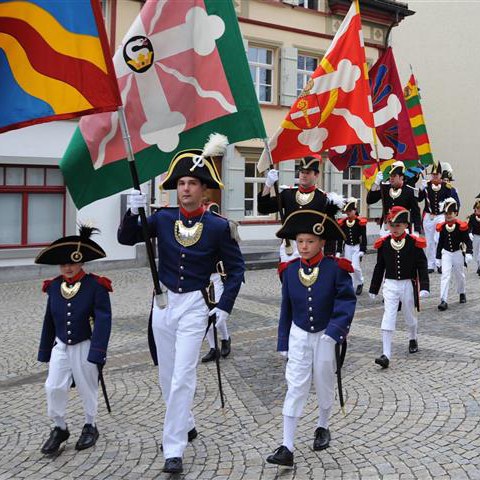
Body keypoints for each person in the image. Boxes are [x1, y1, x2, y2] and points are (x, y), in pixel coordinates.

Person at [117, 134, 245, 474]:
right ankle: (185, 421)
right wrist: (133, 211)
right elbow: (127, 238)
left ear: (204, 190)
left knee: (183, 376)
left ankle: (173, 446)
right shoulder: (161, 218)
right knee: (165, 374)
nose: (186, 188)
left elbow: (236, 270)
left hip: (194, 305)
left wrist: (225, 306)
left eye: (192, 183)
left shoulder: (218, 227)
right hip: (163, 303)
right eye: (182, 183)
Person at [266, 210, 356, 467]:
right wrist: (283, 342)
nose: (303, 247)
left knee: (324, 380)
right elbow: (286, 309)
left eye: (310, 242)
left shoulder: (335, 269)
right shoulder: (290, 271)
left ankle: (322, 426)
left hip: (326, 335)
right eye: (300, 241)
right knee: (295, 385)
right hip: (299, 334)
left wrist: (335, 330)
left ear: (322, 242)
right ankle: (287, 445)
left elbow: (346, 301)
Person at [35, 226, 112, 455]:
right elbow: (49, 320)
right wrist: (45, 350)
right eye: (63, 264)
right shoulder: (54, 287)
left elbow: (103, 321)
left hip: (85, 345)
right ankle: (60, 427)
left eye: (72, 263)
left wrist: (98, 351)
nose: (67, 268)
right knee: (53, 386)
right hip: (61, 346)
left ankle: (91, 424)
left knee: (87, 388)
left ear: (81, 263)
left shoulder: (96, 286)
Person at [369, 207, 429, 369]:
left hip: (408, 284)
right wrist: (374, 288)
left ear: (405, 225)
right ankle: (386, 354)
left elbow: (422, 266)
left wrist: (424, 286)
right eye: (391, 225)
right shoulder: (384, 244)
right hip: (390, 284)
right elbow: (379, 267)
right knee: (388, 315)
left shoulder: (413, 242)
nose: (394, 229)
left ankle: (412, 337)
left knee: (409, 315)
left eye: (398, 225)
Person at [258, 157, 343, 263]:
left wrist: (329, 257)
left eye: (307, 172)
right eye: (302, 172)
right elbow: (263, 208)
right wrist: (268, 184)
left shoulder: (323, 199)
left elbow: (330, 230)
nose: (303, 175)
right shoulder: (288, 194)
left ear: (316, 175)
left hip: (312, 248)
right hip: (290, 247)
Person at [418, 162, 460, 273]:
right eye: (433, 174)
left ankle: (440, 263)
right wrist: (421, 189)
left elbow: (451, 200)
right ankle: (430, 264)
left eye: (437, 174)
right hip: (428, 216)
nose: (435, 176)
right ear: (431, 175)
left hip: (440, 216)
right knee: (429, 241)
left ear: (441, 175)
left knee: (439, 238)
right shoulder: (426, 185)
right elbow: (418, 199)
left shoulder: (446, 187)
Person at [367, 161, 422, 236]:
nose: (391, 178)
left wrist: (416, 230)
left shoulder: (410, 191)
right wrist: (376, 183)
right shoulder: (385, 188)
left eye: (394, 176)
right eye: (390, 176)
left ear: (401, 177)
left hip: (402, 228)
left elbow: (416, 212)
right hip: (387, 227)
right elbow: (370, 200)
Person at [436, 198, 473, 311]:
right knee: (445, 276)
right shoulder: (442, 227)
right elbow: (441, 243)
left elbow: (467, 241)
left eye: (450, 213)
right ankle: (443, 300)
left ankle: (462, 292)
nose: (448, 216)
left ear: (456, 213)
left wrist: (468, 253)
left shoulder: (461, 227)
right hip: (446, 253)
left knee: (459, 275)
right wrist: (438, 257)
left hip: (457, 253)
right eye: (446, 213)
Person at [336, 197, 367, 295]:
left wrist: (363, 249)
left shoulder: (359, 222)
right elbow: (340, 238)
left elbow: (363, 237)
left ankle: (360, 282)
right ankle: (351, 285)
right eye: (347, 211)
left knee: (356, 267)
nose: (348, 213)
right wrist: (338, 250)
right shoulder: (343, 223)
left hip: (356, 247)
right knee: (348, 267)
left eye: (350, 211)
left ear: (355, 210)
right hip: (348, 247)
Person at [467, 197, 480, 276]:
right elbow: (469, 226)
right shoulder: (472, 217)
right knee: (475, 253)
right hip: (475, 236)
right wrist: (469, 233)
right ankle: (478, 265)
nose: (478, 210)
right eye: (477, 208)